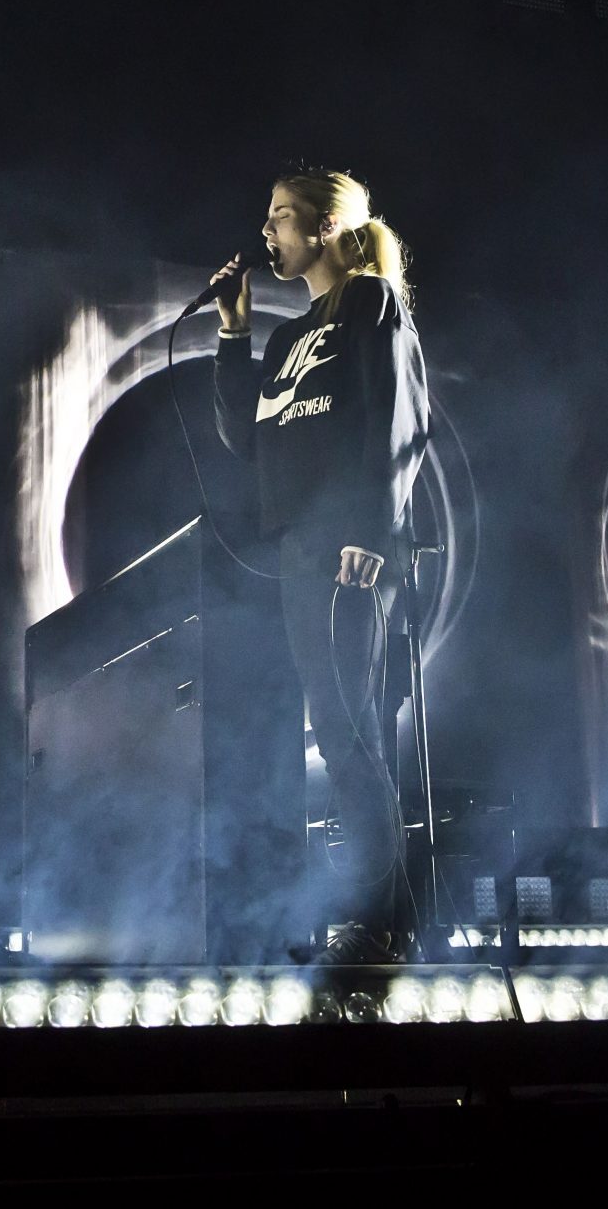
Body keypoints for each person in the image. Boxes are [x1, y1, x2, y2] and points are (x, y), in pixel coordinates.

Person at [208, 168, 431, 963]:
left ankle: (382, 925)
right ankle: (381, 920)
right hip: (302, 545)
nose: (268, 232)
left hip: (351, 543)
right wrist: (232, 333)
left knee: (348, 730)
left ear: (327, 226)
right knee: (339, 729)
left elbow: (401, 418)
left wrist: (372, 528)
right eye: (268, 218)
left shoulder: (371, 302)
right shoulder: (283, 336)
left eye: (282, 217)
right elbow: (245, 434)